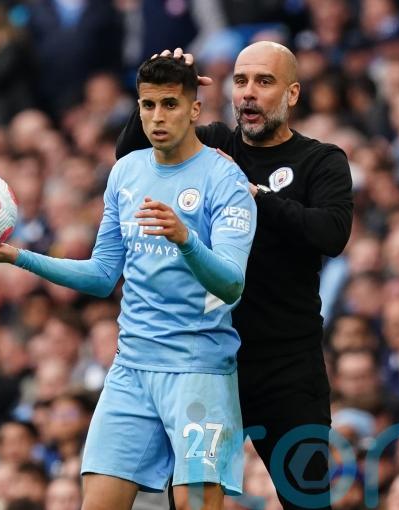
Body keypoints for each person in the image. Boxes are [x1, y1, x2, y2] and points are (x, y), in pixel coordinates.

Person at [0, 56, 257, 509]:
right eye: (148, 105)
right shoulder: (126, 172)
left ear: (195, 109)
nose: (157, 117)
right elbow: (100, 275)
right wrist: (14, 256)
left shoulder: (224, 179)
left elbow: (232, 285)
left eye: (170, 105)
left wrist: (186, 240)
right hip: (131, 368)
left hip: (198, 371)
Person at [116, 42, 354, 509]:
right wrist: (163, 87)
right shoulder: (214, 144)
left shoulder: (320, 160)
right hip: (207, 364)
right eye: (241, 80)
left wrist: (252, 194)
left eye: (264, 82)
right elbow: (132, 153)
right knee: (189, 502)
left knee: (308, 501)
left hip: (287, 367)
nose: (248, 93)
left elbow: (331, 232)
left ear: (292, 94)